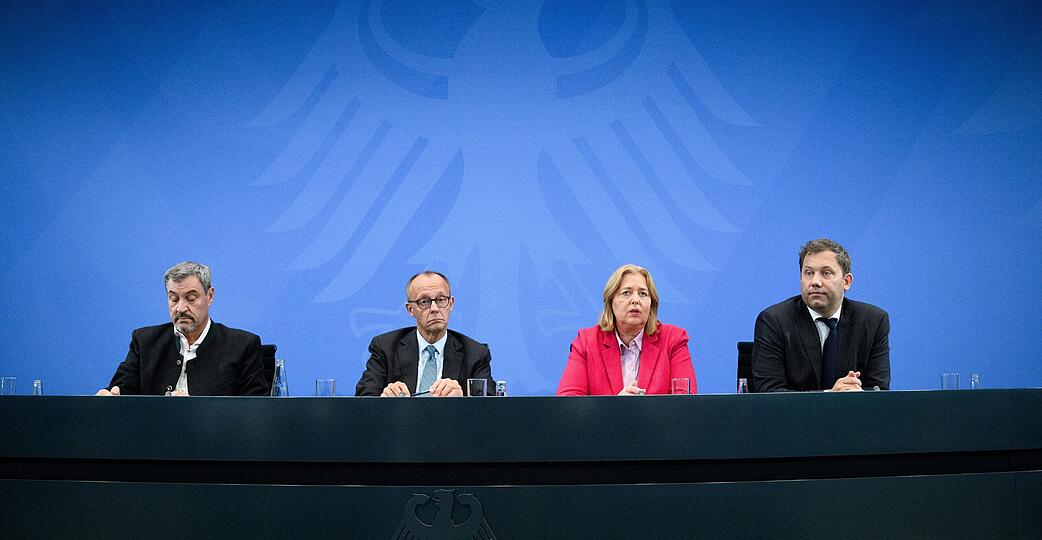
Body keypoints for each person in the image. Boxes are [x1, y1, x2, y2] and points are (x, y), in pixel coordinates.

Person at [97, 261, 268, 396]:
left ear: (209, 296)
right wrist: (111, 397)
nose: (181, 308)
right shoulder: (145, 342)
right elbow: (122, 390)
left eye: (191, 298)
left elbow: (254, 413)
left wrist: (194, 411)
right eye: (174, 299)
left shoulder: (242, 346)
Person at [751, 238, 890, 392]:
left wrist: (858, 395)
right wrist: (829, 396)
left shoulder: (873, 321)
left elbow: (879, 391)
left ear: (847, 281)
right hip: (794, 417)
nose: (815, 281)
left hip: (852, 415)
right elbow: (769, 392)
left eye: (826, 273)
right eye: (808, 273)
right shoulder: (774, 321)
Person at [557, 264, 697, 396]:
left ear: (651, 304)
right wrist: (616, 409)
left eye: (643, 293)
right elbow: (568, 405)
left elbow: (685, 404)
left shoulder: (673, 339)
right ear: (610, 302)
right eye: (626, 293)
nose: (635, 300)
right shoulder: (586, 342)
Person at [355, 271, 494, 397]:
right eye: (424, 302)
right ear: (410, 309)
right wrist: (384, 402)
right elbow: (364, 399)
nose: (434, 308)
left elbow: (490, 409)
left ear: (451, 304)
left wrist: (462, 399)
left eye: (441, 300)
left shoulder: (475, 354)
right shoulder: (385, 347)